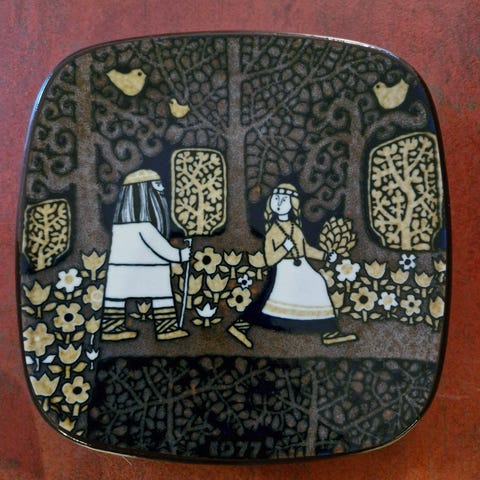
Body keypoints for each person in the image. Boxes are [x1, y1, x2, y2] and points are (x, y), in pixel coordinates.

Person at [230, 183, 357, 346]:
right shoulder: (273, 230)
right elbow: (269, 258)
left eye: (284, 200)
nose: (279, 203)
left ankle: (329, 331)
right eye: (276, 198)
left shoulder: (294, 228)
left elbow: (305, 249)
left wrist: (325, 256)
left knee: (317, 283)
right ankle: (240, 327)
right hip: (284, 268)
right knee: (267, 299)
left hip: (300, 266)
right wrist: (284, 248)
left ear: (292, 204)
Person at [101, 169, 190, 341]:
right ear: (143, 191)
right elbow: (162, 249)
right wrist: (182, 255)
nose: (162, 189)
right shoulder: (144, 227)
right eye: (157, 185)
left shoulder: (120, 226)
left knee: (116, 298)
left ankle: (111, 328)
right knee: (162, 296)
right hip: (149, 270)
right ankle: (166, 328)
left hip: (123, 271)